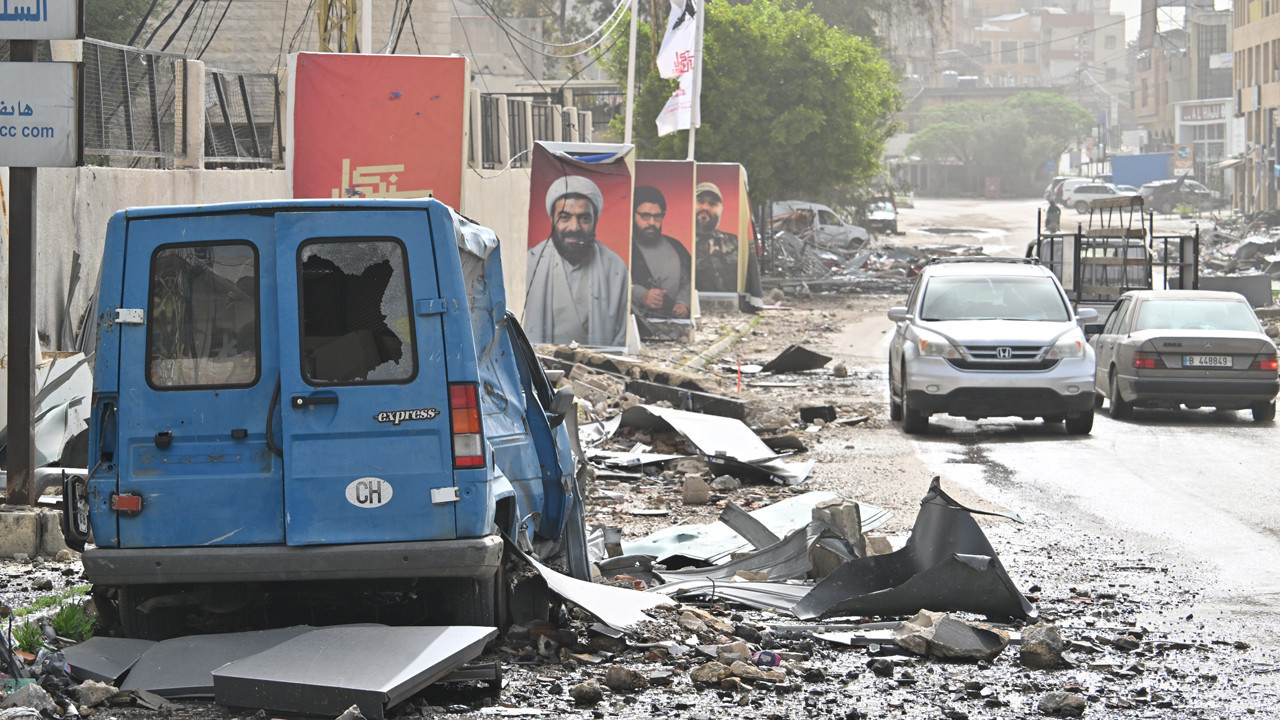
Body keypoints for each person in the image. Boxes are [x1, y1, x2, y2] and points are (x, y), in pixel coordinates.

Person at [525, 175, 629, 346]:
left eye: (584, 218)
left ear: (595, 220)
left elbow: (620, 338)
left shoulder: (615, 267)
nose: (574, 227)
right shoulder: (531, 263)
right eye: (565, 217)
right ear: (551, 219)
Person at [630, 185, 691, 319]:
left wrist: (683, 303)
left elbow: (689, 282)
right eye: (645, 216)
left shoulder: (677, 247)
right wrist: (641, 295)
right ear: (632, 214)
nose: (652, 222)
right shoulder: (624, 247)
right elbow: (612, 286)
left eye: (657, 216)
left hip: (673, 326)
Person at [694, 182, 739, 292]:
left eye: (712, 204)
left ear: (720, 209)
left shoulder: (735, 243)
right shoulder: (678, 243)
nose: (705, 207)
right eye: (700, 201)